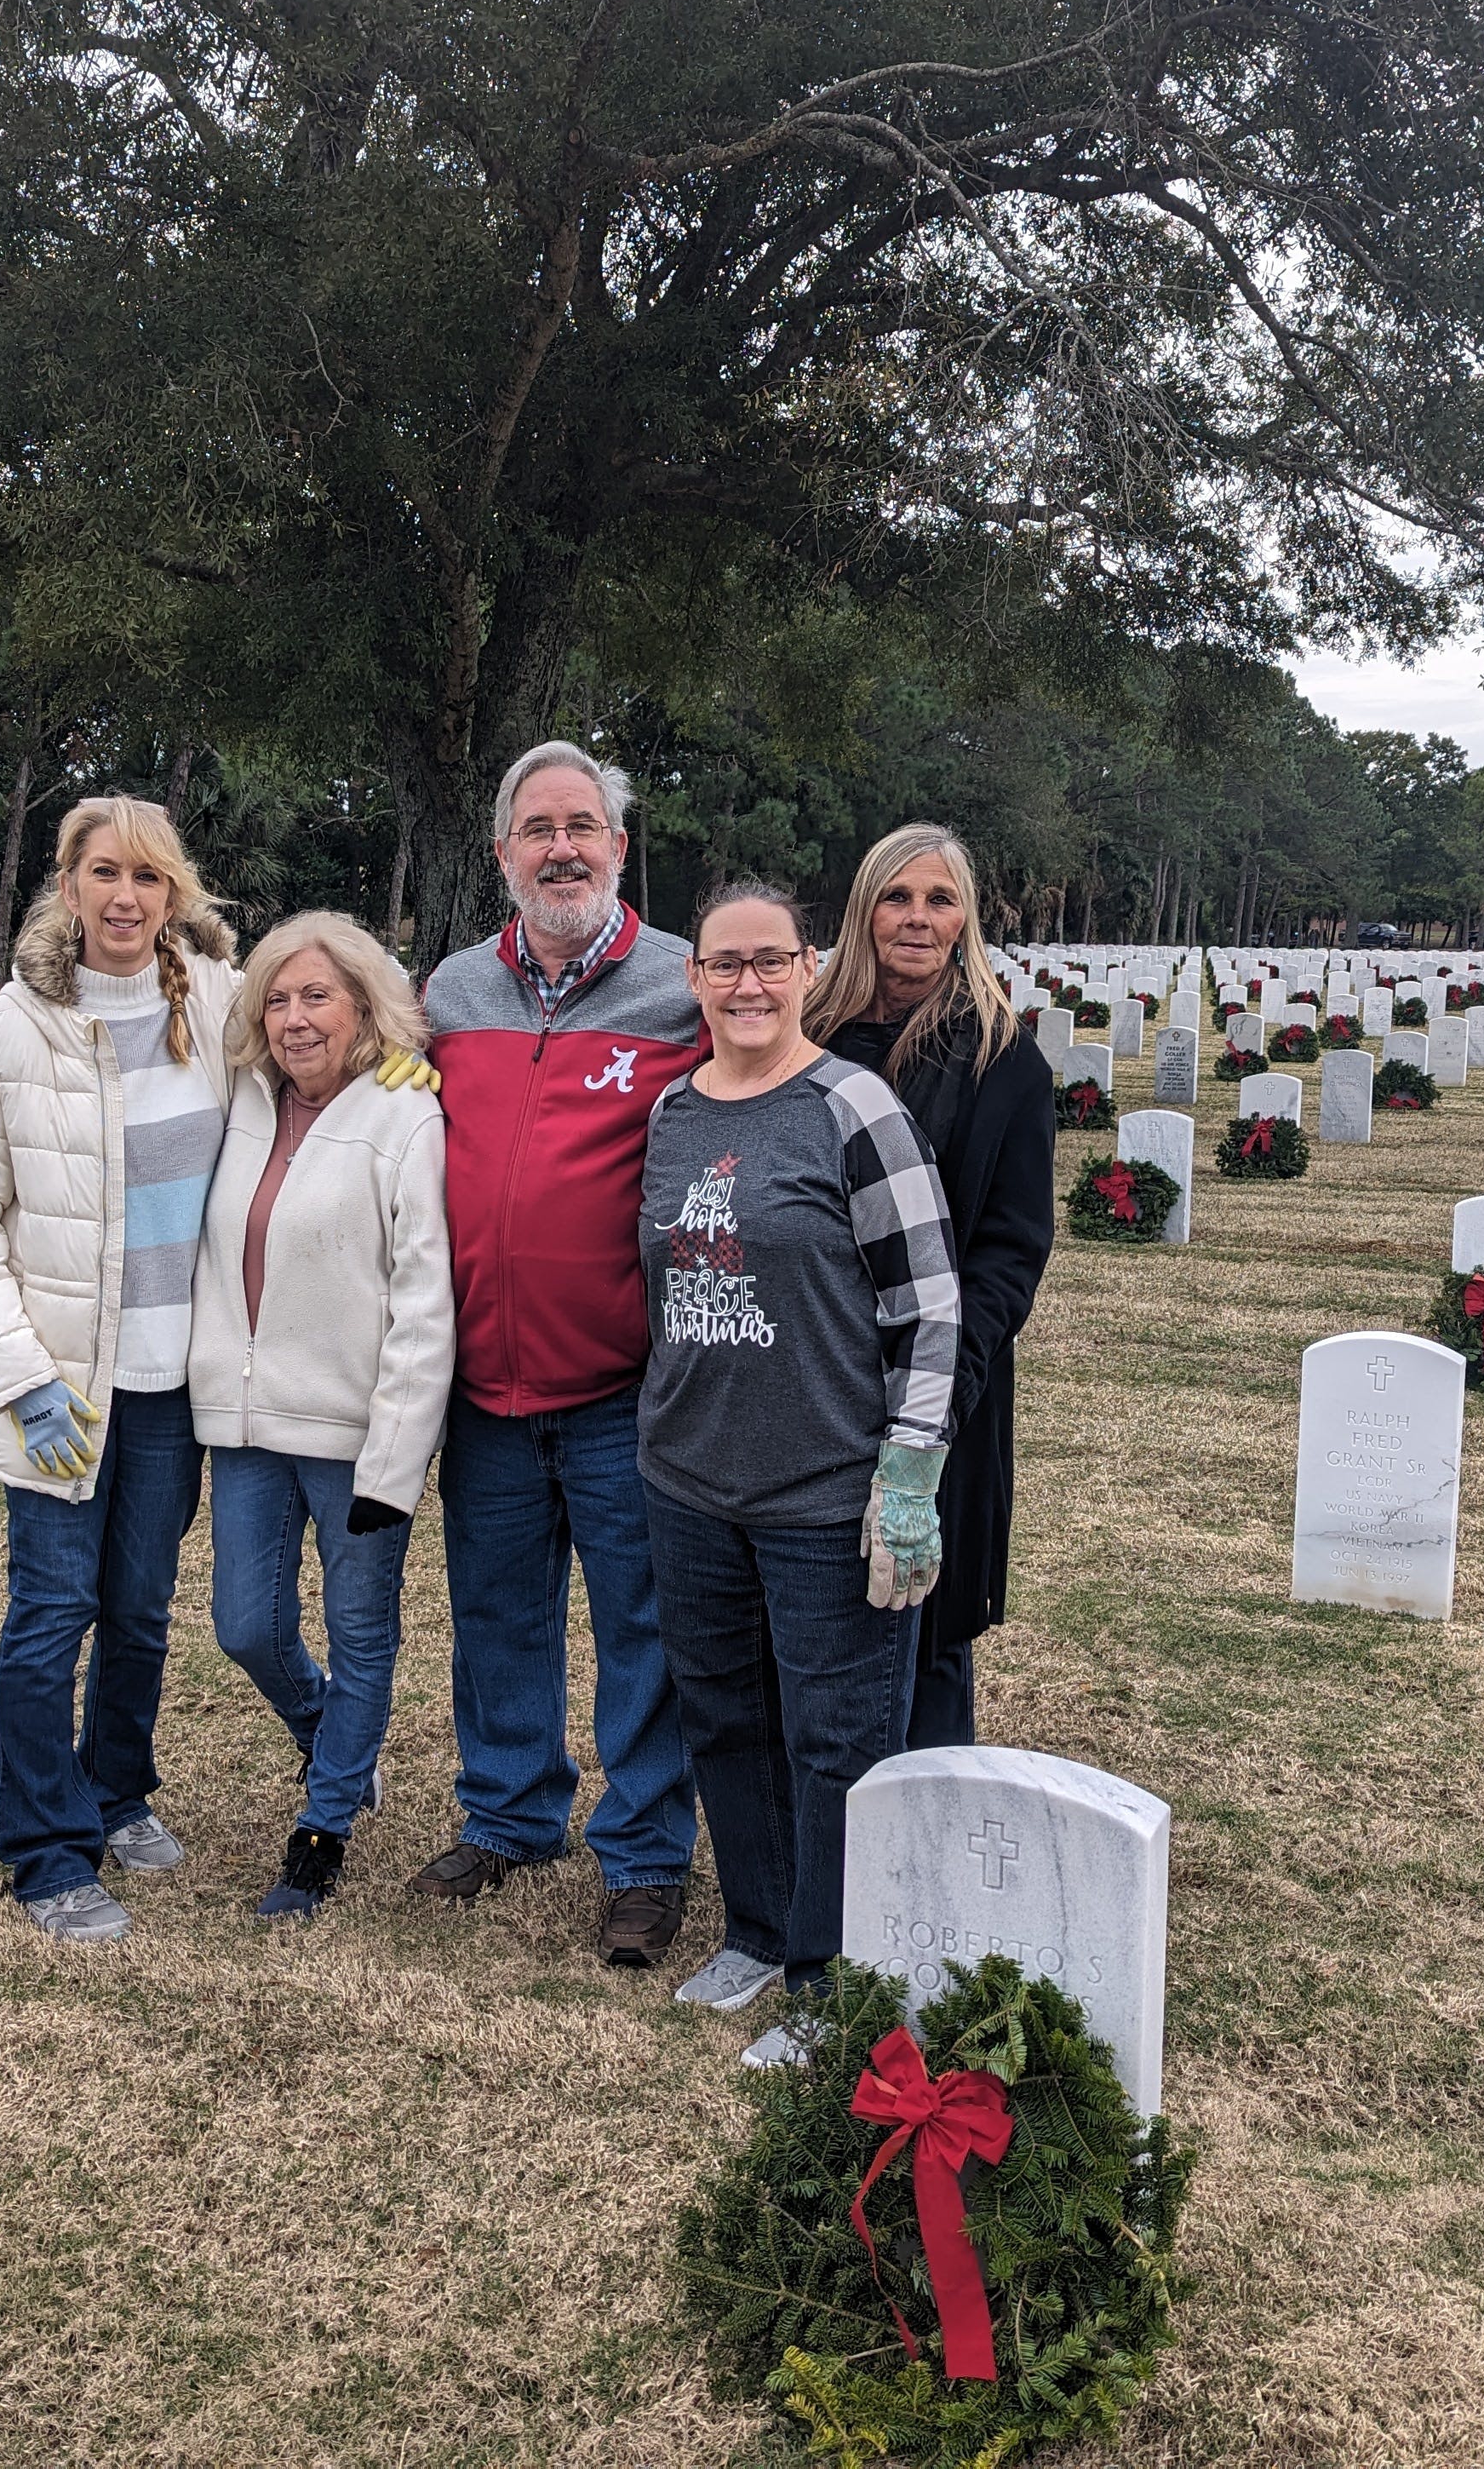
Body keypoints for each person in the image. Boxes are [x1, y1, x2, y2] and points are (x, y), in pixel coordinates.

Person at [640, 881, 962, 2061]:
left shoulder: (852, 1106)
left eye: (769, 961)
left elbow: (930, 1306)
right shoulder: (674, 1113)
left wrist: (910, 1473)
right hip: (688, 1484)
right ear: (696, 979)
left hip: (825, 1492)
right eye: (725, 964)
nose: (747, 984)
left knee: (838, 1738)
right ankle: (761, 1928)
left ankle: (836, 1983)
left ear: (806, 968)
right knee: (724, 1718)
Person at [0, 795, 239, 1944]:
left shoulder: (219, 1003)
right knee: (52, 1613)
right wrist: (19, 1376)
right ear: (66, 886)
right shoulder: (2, 1036)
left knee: (141, 1611)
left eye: (148, 877)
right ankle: (48, 1851)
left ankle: (116, 1793)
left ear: (175, 894)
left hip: (173, 1386)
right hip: (61, 1389)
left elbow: (332, 1036)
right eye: (102, 873)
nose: (125, 897)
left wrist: (397, 1070)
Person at [415, 739, 706, 1968]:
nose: (562, 848)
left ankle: (642, 1856)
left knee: (644, 1623)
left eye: (582, 825)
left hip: (621, 1385)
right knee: (494, 1616)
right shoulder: (448, 997)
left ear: (621, 848)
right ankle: (512, 1815)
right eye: (537, 829)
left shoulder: (687, 988)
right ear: (502, 855)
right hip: (482, 1382)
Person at [192, 910, 455, 1921]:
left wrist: (398, 1456)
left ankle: (325, 1825)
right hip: (249, 1424)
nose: (297, 1019)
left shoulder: (404, 1116)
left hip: (354, 1436)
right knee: (244, 1627)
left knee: (361, 1632)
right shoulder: (241, 1099)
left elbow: (426, 1303)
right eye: (281, 998)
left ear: (363, 1007)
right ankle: (328, 1732)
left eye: (319, 997)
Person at [801, 825, 1056, 1750]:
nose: (916, 919)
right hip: (804, 1373)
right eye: (896, 897)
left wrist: (942, 1385)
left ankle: (923, 1835)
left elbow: (1012, 1249)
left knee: (924, 1615)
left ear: (967, 921)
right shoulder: (804, 1037)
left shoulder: (1001, 1060)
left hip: (937, 1380)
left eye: (939, 900)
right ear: (864, 909)